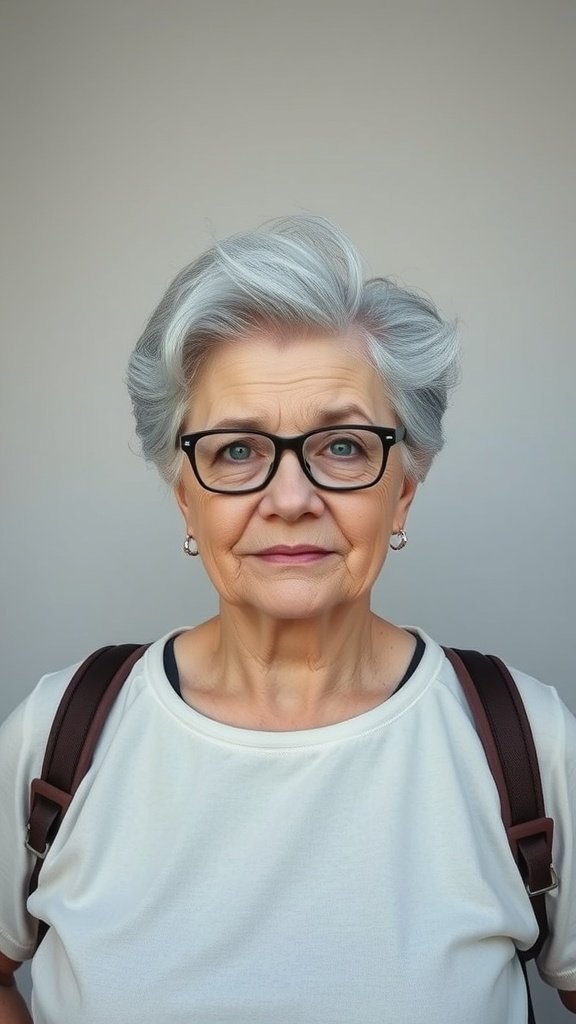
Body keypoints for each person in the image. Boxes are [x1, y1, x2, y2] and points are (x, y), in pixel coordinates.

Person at [0, 216, 574, 1024]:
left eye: (342, 446)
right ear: (183, 494)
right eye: (236, 450)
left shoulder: (529, 744)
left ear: (403, 487)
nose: (292, 498)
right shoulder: (59, 733)